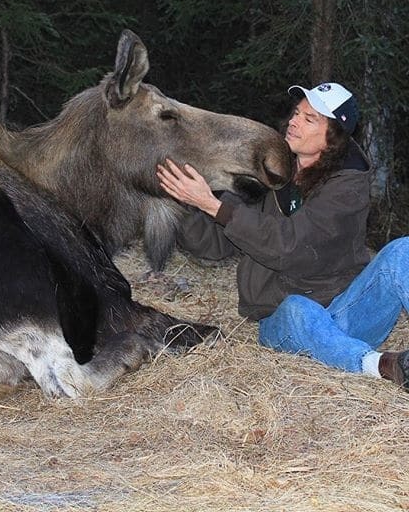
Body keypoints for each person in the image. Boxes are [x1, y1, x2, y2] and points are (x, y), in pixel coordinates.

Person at [156, 82, 409, 390]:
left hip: (347, 311)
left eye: (309, 118)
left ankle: (364, 358)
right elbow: (212, 245)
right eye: (296, 112)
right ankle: (378, 364)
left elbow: (291, 247)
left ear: (333, 140)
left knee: (402, 251)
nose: (294, 121)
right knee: (299, 309)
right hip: (284, 319)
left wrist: (213, 204)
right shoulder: (271, 169)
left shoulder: (347, 187)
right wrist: (187, 202)